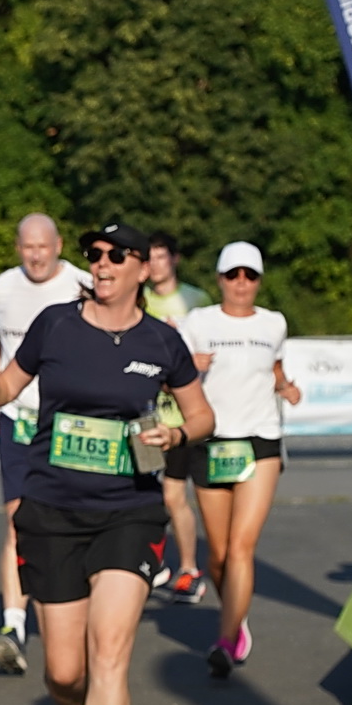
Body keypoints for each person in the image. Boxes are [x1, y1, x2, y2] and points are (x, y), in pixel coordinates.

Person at [0, 221, 214, 705]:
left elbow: (201, 414)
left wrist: (176, 435)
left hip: (129, 511)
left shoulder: (162, 341)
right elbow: (10, 383)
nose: (102, 263)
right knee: (63, 672)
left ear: (143, 268)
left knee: (109, 654)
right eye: (95, 254)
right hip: (53, 510)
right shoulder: (56, 324)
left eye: (117, 255)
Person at [182, 242, 301, 678]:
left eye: (250, 275)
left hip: (260, 441)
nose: (241, 284)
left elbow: (274, 368)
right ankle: (237, 615)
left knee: (241, 548)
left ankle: (226, 639)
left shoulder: (274, 323)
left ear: (259, 280)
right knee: (218, 556)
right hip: (212, 443)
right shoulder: (199, 322)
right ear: (219, 279)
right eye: (233, 275)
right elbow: (172, 378)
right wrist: (189, 365)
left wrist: (286, 387)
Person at [0, 215, 89, 673]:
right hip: (16, 420)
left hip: (69, 423)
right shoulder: (1, 288)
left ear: (59, 245)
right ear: (18, 248)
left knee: (74, 520)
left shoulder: (81, 285)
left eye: (44, 246)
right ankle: (13, 624)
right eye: (28, 247)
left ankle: (74, 609)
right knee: (17, 521)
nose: (36, 255)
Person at [144, 231, 212, 604]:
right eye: (149, 257)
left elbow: (209, 350)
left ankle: (189, 569)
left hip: (179, 416)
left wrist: (194, 364)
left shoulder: (196, 300)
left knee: (173, 495)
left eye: (160, 257)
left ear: (174, 259)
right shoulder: (138, 300)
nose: (155, 264)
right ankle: (152, 562)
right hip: (145, 413)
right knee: (141, 493)